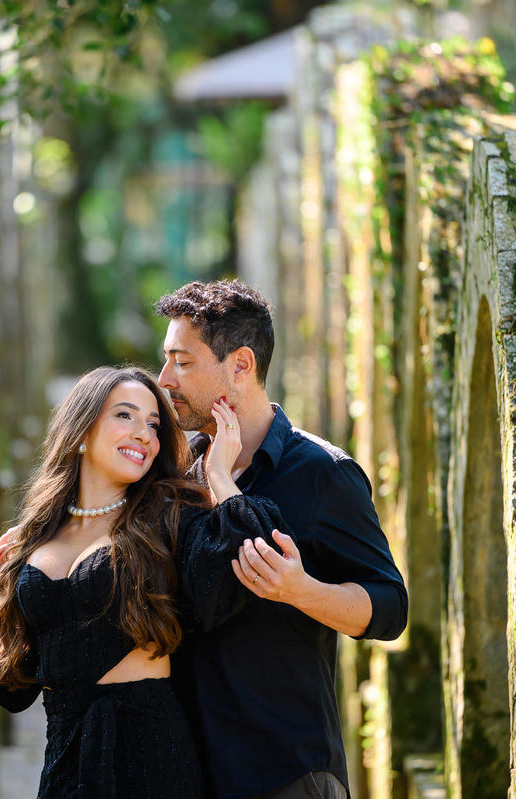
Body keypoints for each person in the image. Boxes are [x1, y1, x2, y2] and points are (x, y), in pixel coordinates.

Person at [0, 366, 290, 799]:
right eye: (125, 415)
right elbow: (13, 690)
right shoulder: (36, 535)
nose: (144, 433)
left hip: (147, 752)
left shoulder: (168, 518)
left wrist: (219, 475)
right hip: (65, 757)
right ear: (81, 430)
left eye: (154, 424)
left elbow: (256, 551)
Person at [155, 280, 408, 799]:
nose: (164, 380)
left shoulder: (322, 474)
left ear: (240, 366)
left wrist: (300, 590)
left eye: (182, 362)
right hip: (186, 773)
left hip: (286, 775)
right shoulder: (176, 474)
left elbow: (390, 607)